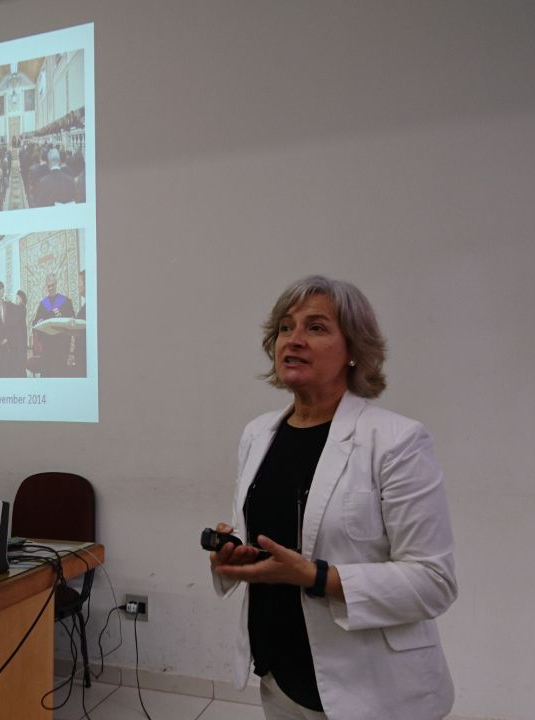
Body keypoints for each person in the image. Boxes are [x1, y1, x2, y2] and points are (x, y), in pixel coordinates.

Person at [210, 275, 456, 720]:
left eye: (316, 327)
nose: (294, 339)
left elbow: (433, 582)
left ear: (354, 349)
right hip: (279, 675)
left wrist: (317, 577)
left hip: (373, 689)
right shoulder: (258, 434)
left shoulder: (397, 440)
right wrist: (233, 555)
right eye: (285, 327)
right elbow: (265, 546)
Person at [32, 273, 75, 377]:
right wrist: (39, 321)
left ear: (56, 284)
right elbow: (35, 321)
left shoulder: (65, 301)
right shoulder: (43, 304)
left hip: (61, 345)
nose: (50, 288)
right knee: (47, 373)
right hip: (48, 345)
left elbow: (72, 319)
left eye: (52, 285)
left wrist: (62, 315)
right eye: (48, 286)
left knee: (60, 373)